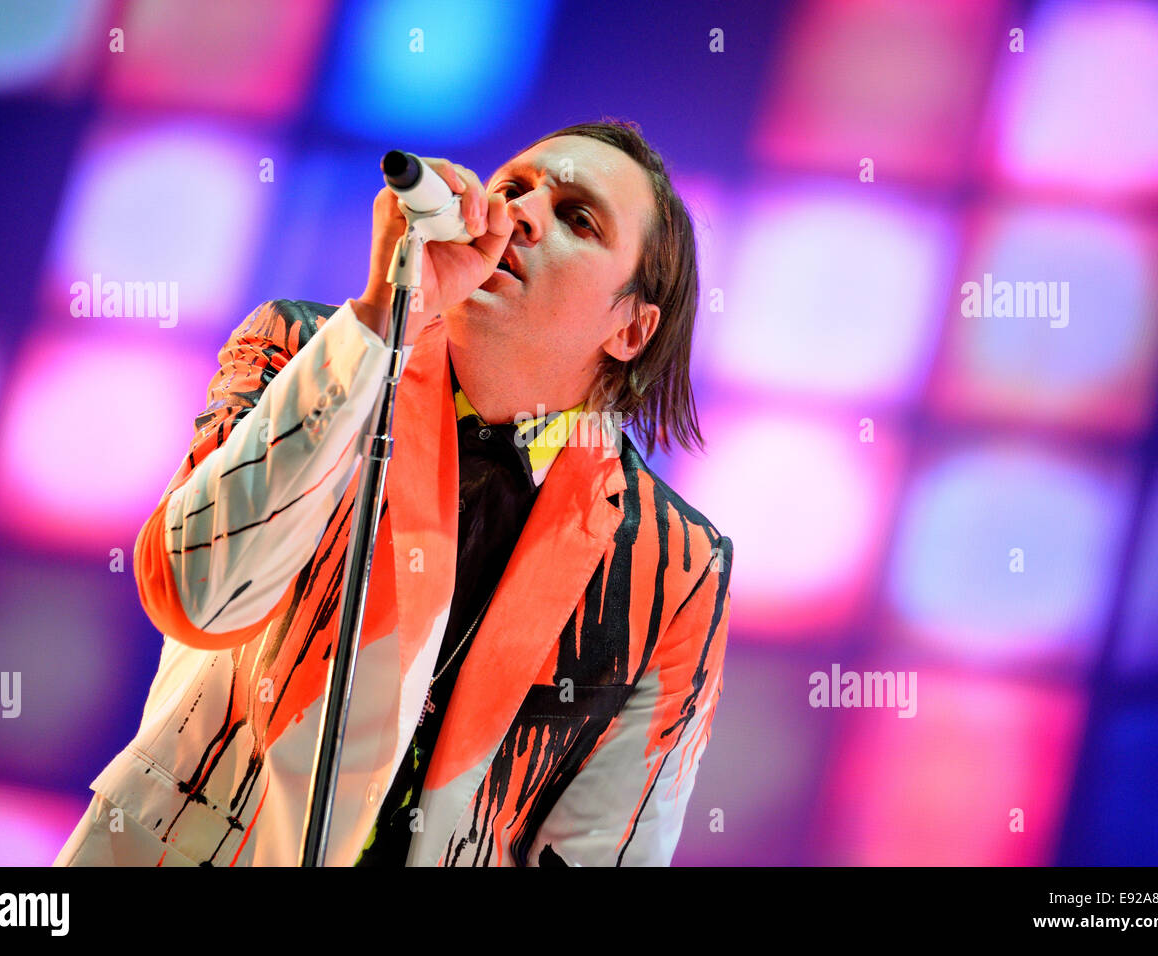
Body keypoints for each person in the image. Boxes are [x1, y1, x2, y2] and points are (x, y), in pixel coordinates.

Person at [54, 119, 733, 867]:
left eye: (578, 218)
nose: (523, 215)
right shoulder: (302, 350)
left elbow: (606, 852)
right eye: (513, 189)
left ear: (631, 329)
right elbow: (196, 595)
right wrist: (383, 318)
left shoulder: (677, 565)